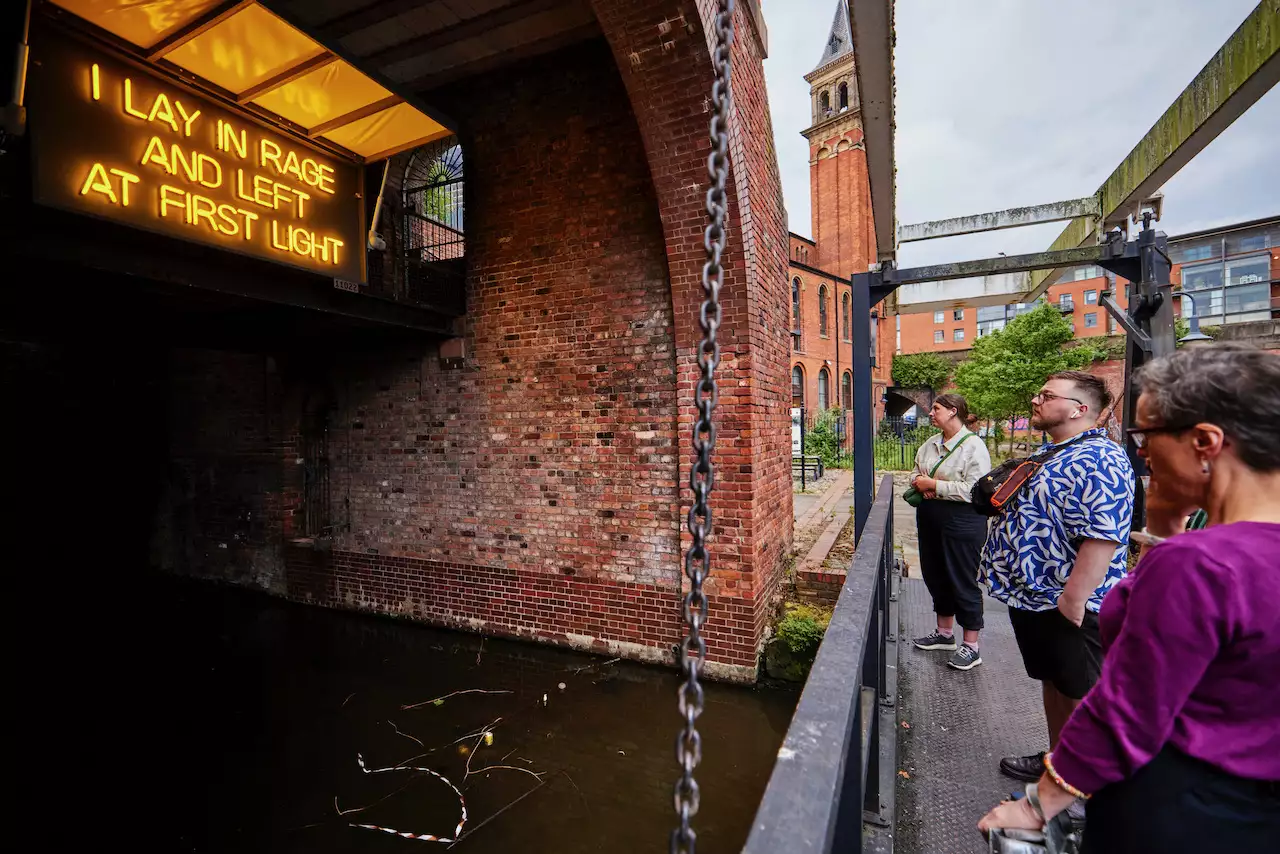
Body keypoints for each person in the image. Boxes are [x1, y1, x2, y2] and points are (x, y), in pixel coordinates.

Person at [979, 343, 1280, 852]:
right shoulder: (1225, 552)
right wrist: (1164, 525)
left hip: (1180, 806)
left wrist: (1036, 805)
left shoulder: (1199, 565)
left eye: (1147, 433)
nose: (1138, 450)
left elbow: (1128, 706)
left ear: (1205, 441)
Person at [980, 371, 1133, 783]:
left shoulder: (1101, 458)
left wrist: (1073, 600)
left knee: (1082, 693)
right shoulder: (1057, 451)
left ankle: (1083, 785)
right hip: (1034, 597)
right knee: (1055, 681)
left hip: (1069, 602)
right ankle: (1058, 761)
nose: (1036, 399)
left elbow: (1104, 535)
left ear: (1080, 409)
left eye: (1047, 395)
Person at [910, 394, 993, 670]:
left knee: (962, 578)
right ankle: (945, 634)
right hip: (931, 517)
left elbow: (974, 490)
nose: (931, 413)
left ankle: (971, 645)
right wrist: (920, 482)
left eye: (936, 408)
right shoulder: (930, 444)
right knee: (935, 574)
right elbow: (915, 471)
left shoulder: (973, 447)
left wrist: (935, 485)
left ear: (953, 411)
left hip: (962, 520)